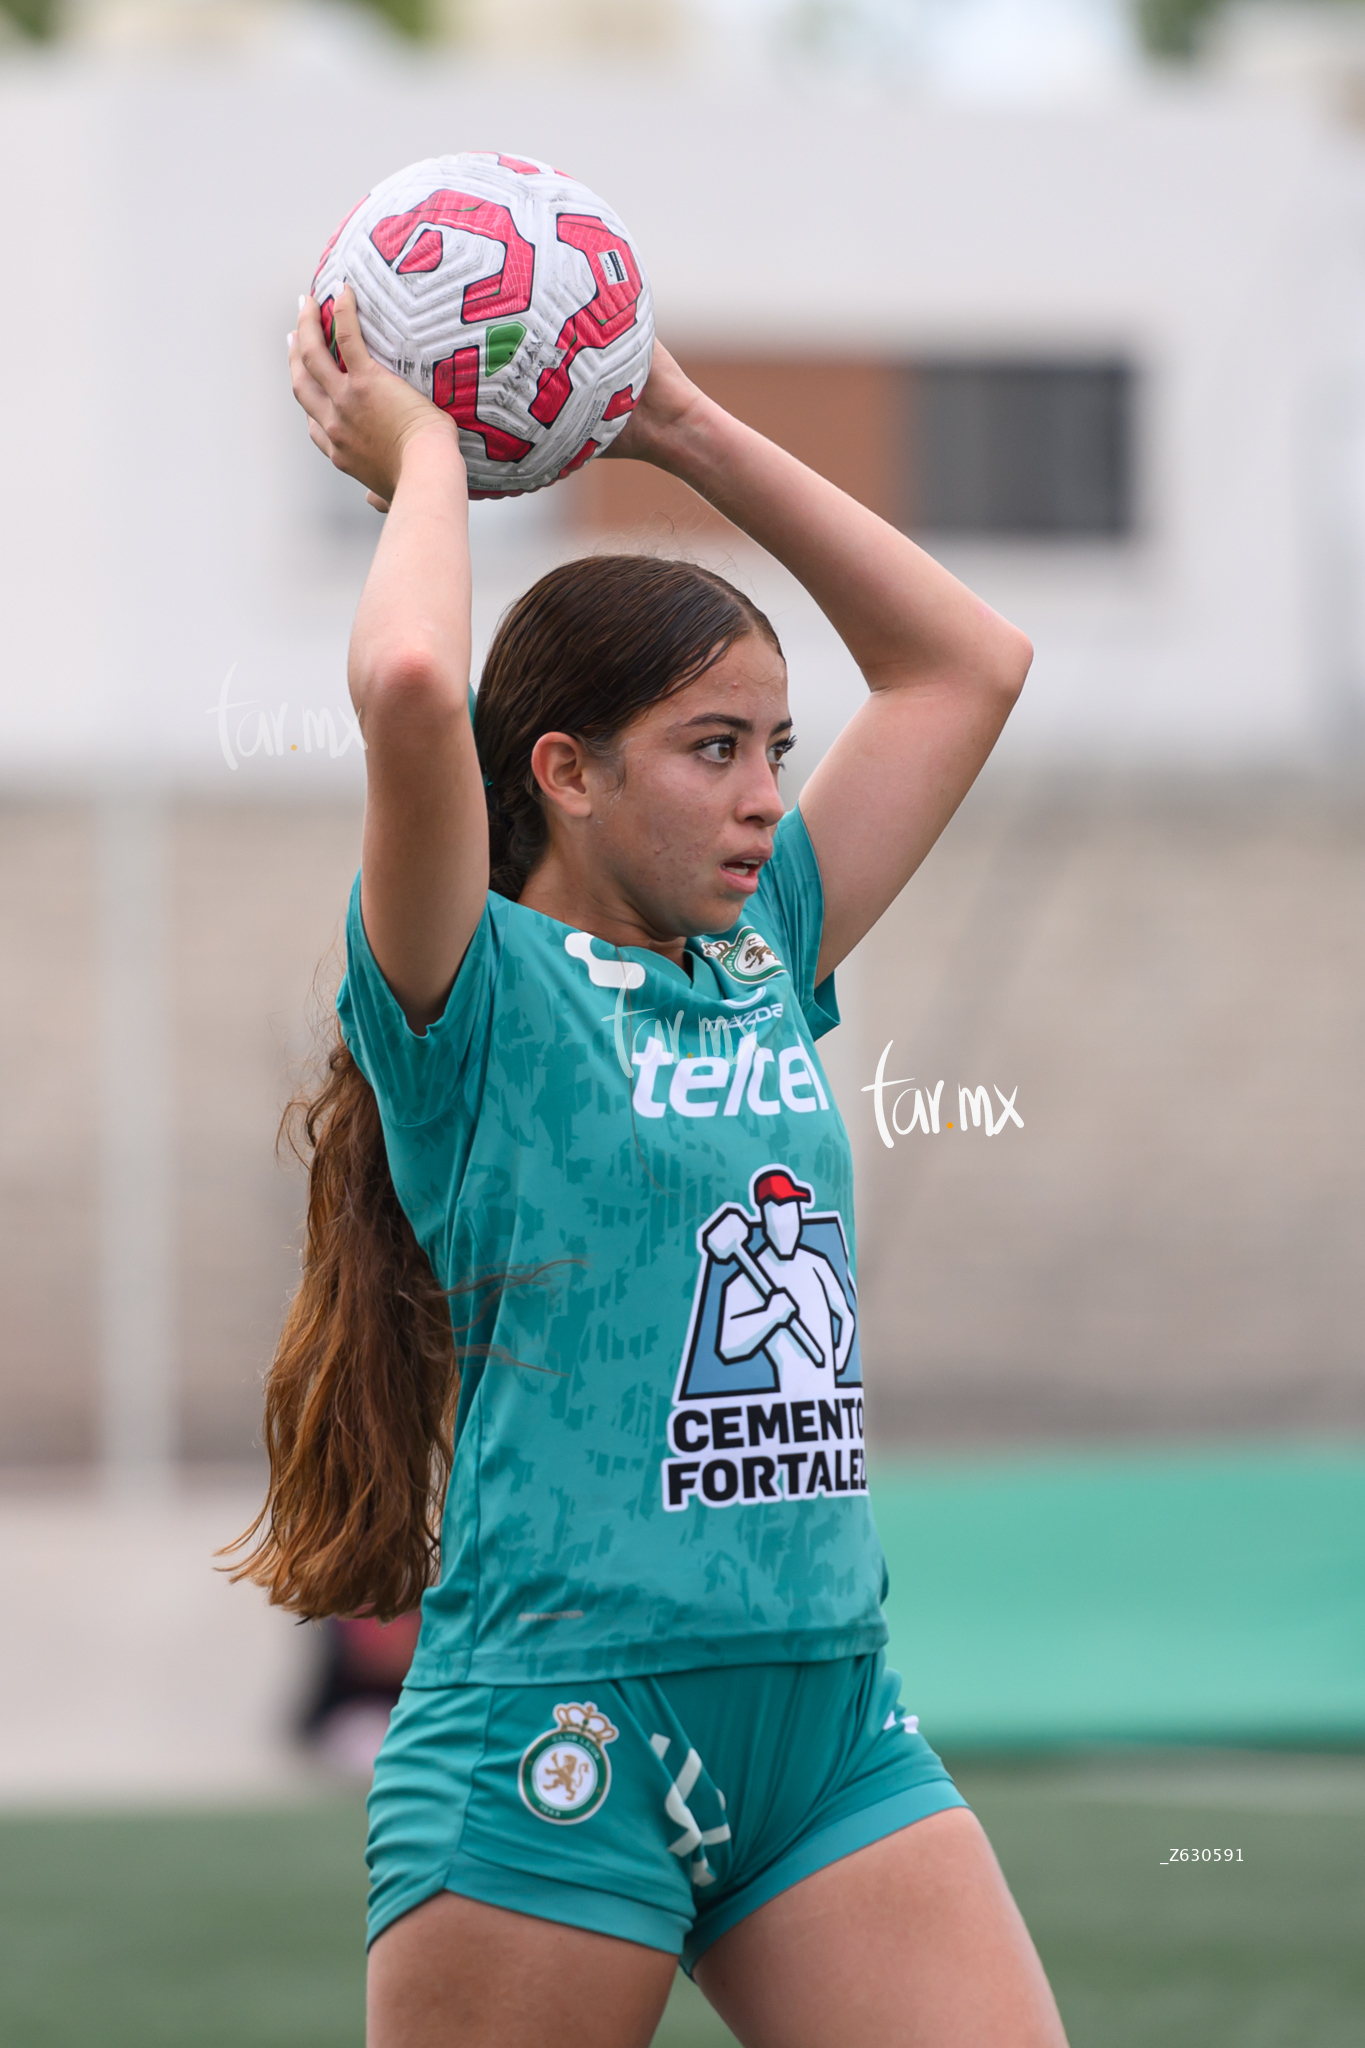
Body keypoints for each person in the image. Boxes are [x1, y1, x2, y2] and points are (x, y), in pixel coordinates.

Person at [242, 280, 1066, 2048]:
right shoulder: (470, 979)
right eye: (714, 750)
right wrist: (430, 464)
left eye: (775, 747)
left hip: (829, 1721)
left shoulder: (764, 943)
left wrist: (674, 421)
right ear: (567, 774)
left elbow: (966, 664)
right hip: (558, 1723)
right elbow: (404, 680)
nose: (772, 793)